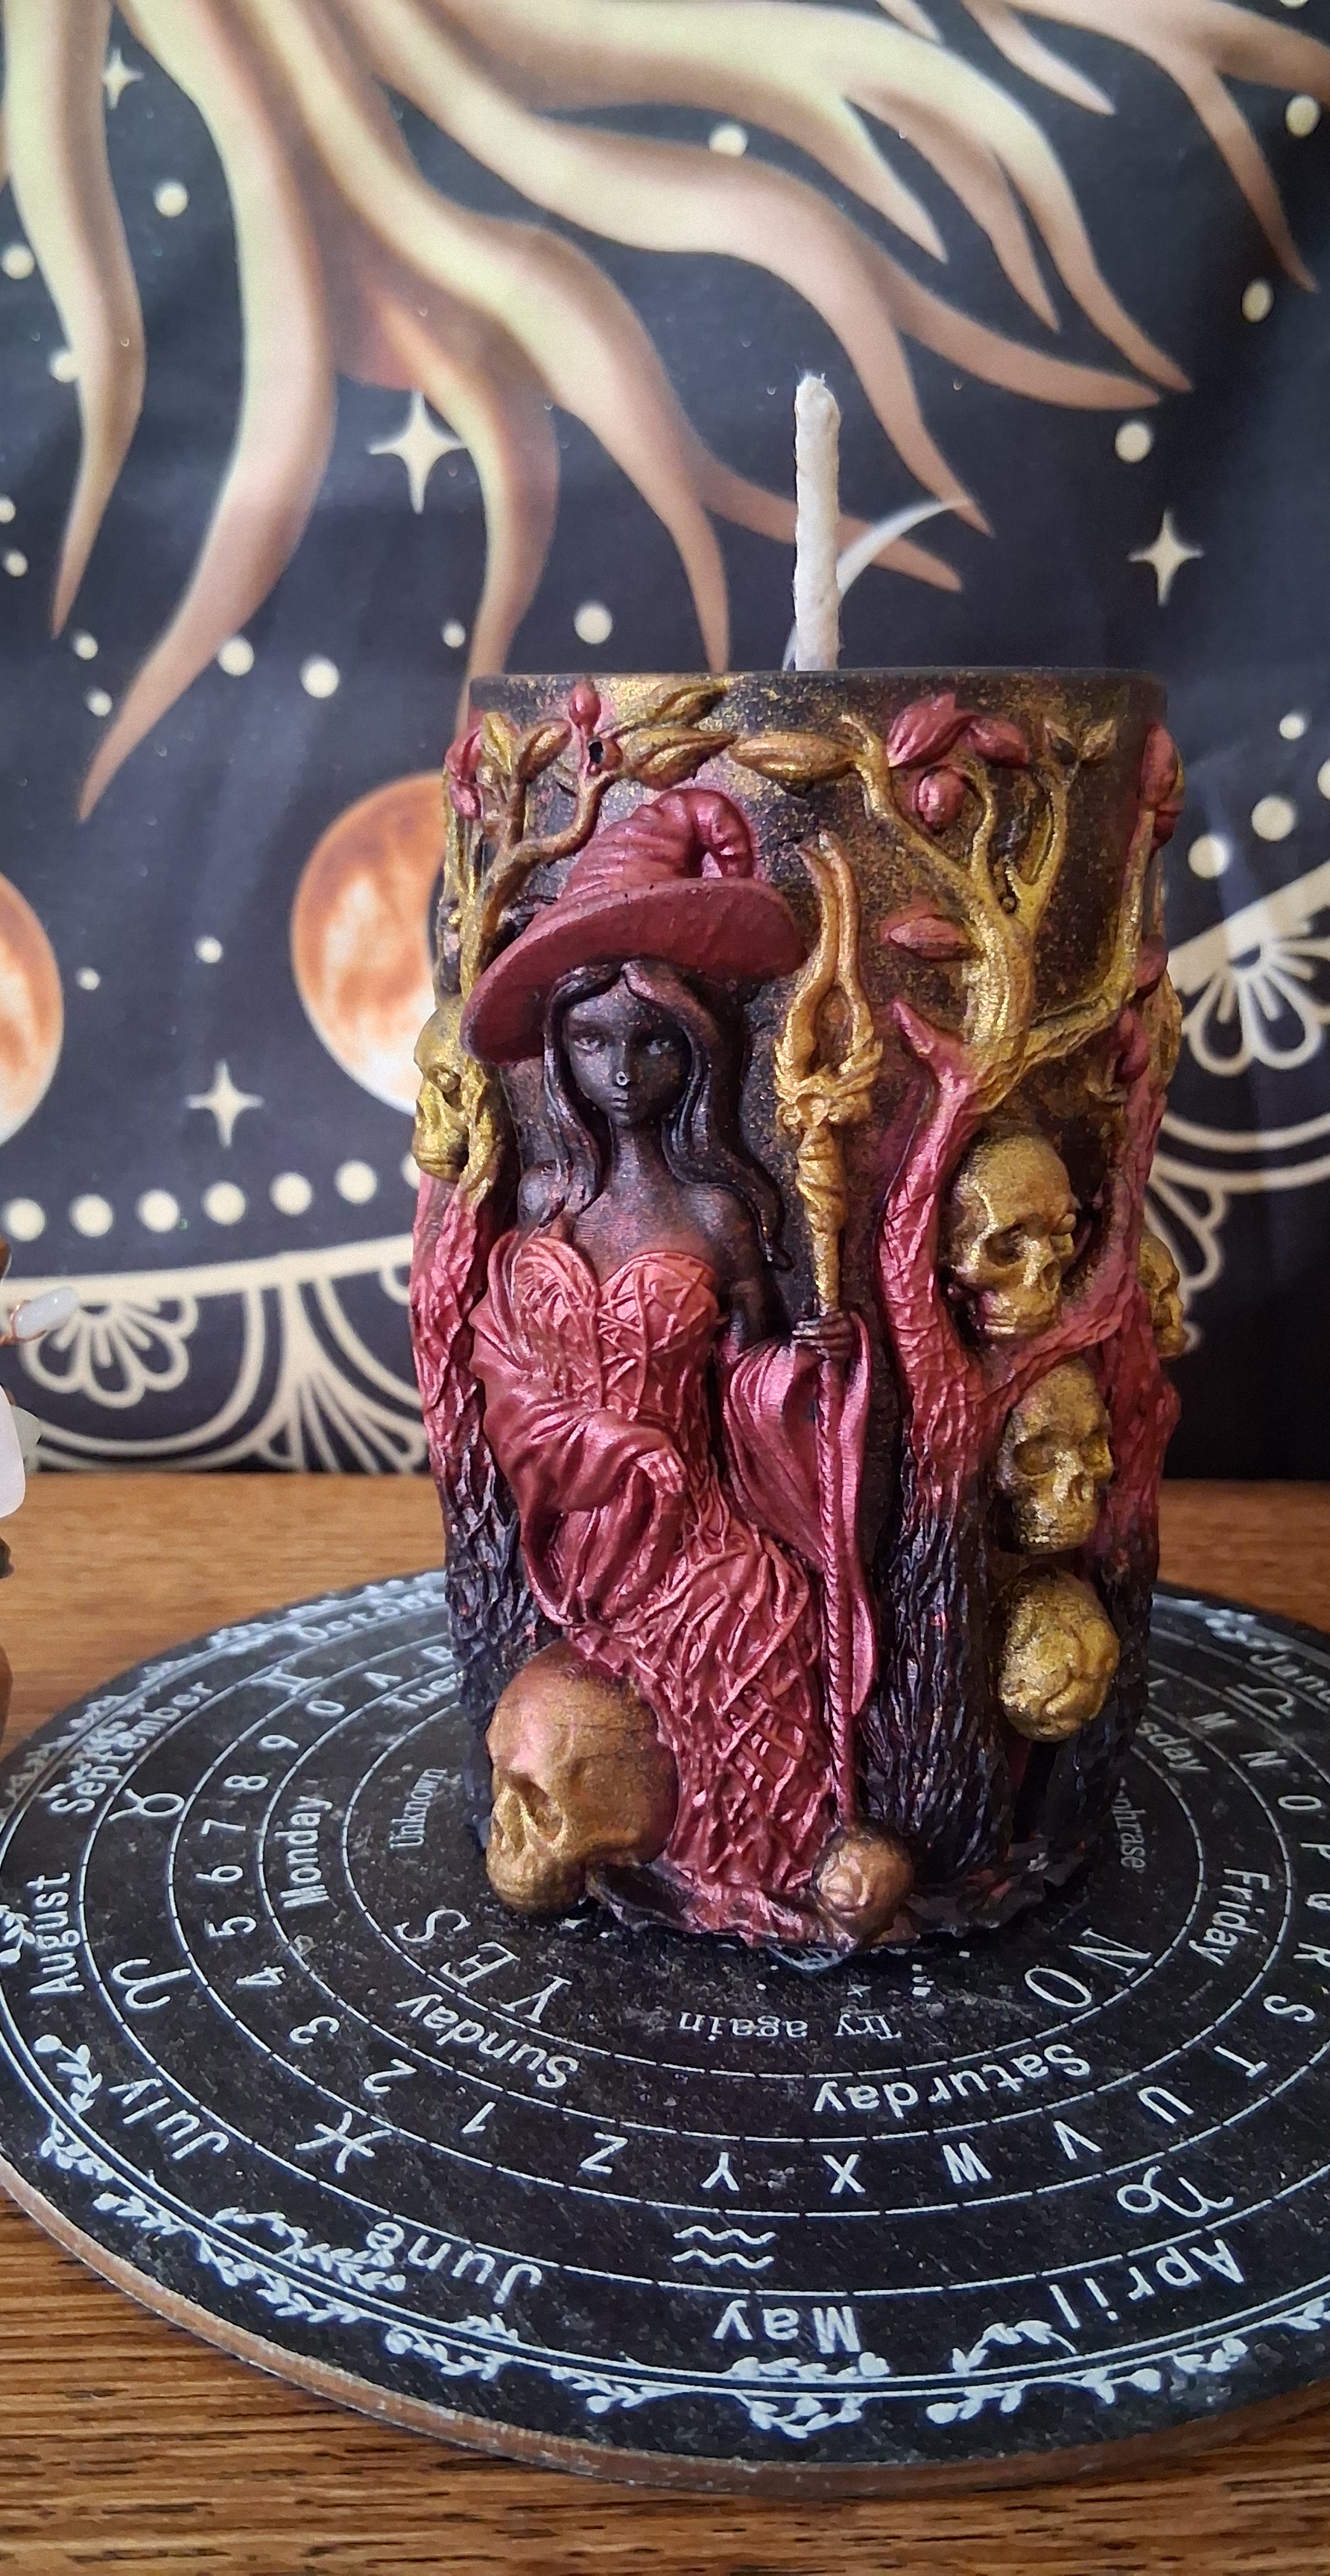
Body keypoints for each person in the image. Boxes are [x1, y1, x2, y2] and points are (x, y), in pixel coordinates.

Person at [457, 787, 891, 1944]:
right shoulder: (545, 1203)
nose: (621, 1070)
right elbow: (501, 1361)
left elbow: (748, 1371)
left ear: (693, 1050)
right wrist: (596, 1441)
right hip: (583, 1514)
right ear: (559, 1051)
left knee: (761, 1605)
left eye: (651, 1042)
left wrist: (812, 1368)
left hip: (689, 1514)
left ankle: (749, 1853)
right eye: (592, 1041)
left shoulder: (714, 1213)